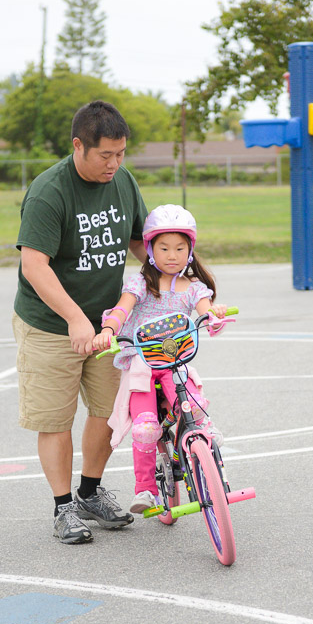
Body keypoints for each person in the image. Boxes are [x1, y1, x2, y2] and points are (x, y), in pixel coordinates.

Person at [12, 100, 148, 545]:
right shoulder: (50, 191)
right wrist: (73, 318)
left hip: (109, 323)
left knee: (110, 413)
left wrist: (184, 282)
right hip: (51, 325)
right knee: (55, 419)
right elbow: (34, 264)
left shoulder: (123, 181)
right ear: (79, 146)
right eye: (105, 155)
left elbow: (140, 243)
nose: (115, 163)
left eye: (121, 153)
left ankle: (90, 491)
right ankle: (64, 506)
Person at [93, 204, 227, 514]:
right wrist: (109, 329)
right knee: (145, 428)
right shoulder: (140, 284)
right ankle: (145, 490)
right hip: (141, 366)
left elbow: (206, 309)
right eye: (164, 247)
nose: (172, 254)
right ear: (150, 249)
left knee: (192, 405)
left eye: (180, 248)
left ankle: (202, 437)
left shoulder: (192, 288)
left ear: (190, 250)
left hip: (174, 363)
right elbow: (122, 308)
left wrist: (213, 316)